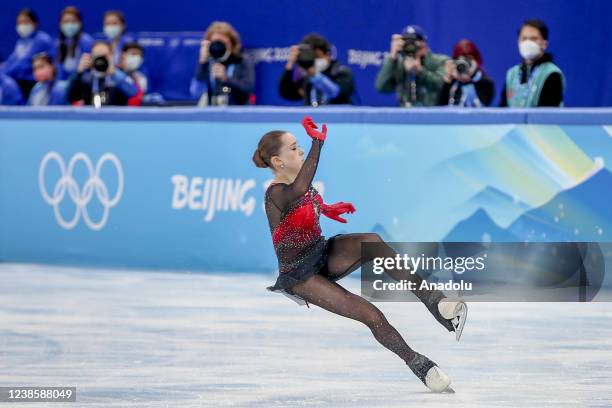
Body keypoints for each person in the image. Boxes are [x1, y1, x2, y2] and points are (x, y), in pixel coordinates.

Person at [252, 116, 468, 392]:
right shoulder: (276, 192)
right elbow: (299, 191)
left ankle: (435, 302)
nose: (301, 150)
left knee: (372, 242)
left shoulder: (299, 188)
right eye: (294, 148)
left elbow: (306, 200)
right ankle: (422, 367)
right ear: (278, 162)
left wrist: (329, 208)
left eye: (300, 146)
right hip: (300, 275)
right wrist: (318, 142)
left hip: (320, 253)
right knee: (371, 314)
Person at [375, 25, 448, 107]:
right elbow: (381, 87)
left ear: (424, 43)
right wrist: (392, 57)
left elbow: (442, 85)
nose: (411, 46)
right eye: (407, 42)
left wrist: (420, 71)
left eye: (415, 41)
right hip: (404, 116)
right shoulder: (399, 64)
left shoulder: (439, 61)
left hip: (431, 115)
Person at [500, 19, 565, 107]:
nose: (528, 42)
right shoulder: (512, 74)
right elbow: (503, 110)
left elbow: (548, 114)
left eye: (533, 39)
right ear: (518, 42)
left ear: (544, 44)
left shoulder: (551, 74)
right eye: (524, 38)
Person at [279, 33, 354, 106]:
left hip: (337, 118)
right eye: (311, 57)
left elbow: (335, 92)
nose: (314, 60)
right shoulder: (306, 77)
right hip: (312, 118)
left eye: (317, 56)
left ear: (327, 55)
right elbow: (287, 93)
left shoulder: (342, 73)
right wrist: (290, 64)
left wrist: (314, 75)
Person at [190, 21, 254, 106]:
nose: (219, 48)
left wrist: (226, 79)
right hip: (210, 113)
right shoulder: (206, 62)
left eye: (223, 44)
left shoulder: (241, 60)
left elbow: (247, 90)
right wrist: (202, 62)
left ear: (232, 43)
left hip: (237, 112)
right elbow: (195, 92)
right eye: (215, 43)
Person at [0, 8, 55, 100]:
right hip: (23, 84)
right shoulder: (21, 42)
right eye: (19, 23)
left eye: (25, 22)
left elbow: (23, 64)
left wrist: (2, 75)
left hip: (32, 83)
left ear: (35, 23)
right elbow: (11, 61)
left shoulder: (41, 40)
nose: (22, 25)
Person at [66, 41, 138, 107]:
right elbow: (69, 96)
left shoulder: (121, 75)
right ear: (91, 58)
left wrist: (114, 73)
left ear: (111, 56)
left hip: (116, 117)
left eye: (104, 56)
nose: (101, 60)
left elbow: (133, 92)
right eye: (97, 56)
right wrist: (78, 73)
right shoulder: (85, 78)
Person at [437, 39, 494, 107]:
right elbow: (440, 108)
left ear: (476, 60)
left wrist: (469, 79)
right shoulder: (452, 83)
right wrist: (448, 81)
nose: (464, 64)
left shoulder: (484, 82)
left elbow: (485, 103)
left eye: (468, 59)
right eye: (461, 60)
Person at [56, 6, 94, 81]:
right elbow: (59, 72)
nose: (69, 25)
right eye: (66, 21)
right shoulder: (59, 43)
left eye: (73, 21)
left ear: (80, 23)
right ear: (60, 24)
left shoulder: (86, 41)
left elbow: (87, 70)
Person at [119, 42, 148, 106]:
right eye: (133, 54)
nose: (136, 58)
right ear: (123, 55)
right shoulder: (113, 73)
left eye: (139, 55)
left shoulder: (141, 77)